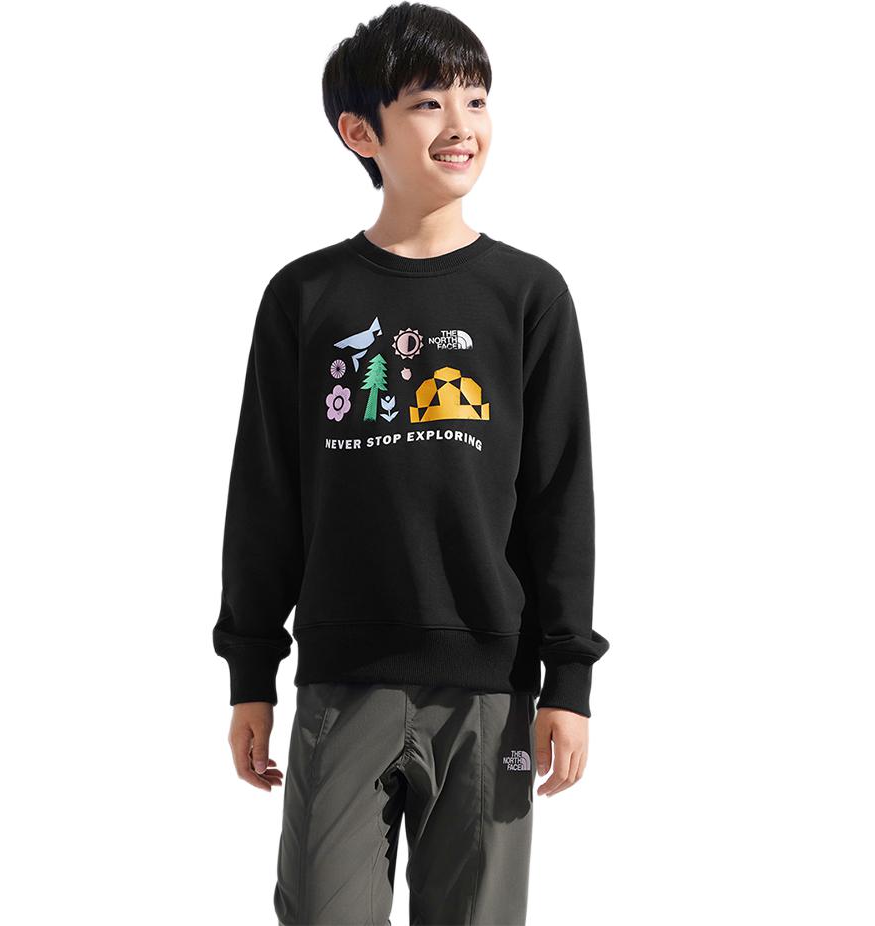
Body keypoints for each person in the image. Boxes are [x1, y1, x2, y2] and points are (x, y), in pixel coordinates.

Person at [212, 3, 610, 923]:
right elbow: (265, 496)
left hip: (492, 689)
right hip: (341, 679)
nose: (461, 124)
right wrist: (250, 672)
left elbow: (561, 498)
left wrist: (570, 679)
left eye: (477, 98)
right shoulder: (304, 296)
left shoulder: (529, 295)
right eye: (429, 102)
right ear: (362, 132)